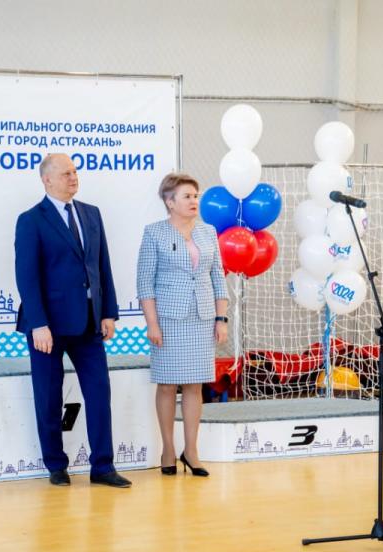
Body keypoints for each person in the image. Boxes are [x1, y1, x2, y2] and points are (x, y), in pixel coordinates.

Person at [14, 153, 131, 488]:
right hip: (47, 327)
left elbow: (102, 266)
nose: (73, 177)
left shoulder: (91, 214)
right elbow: (27, 276)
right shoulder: (31, 220)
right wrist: (38, 323)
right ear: (47, 180)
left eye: (74, 171)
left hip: (89, 322)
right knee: (49, 397)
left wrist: (108, 312)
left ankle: (103, 467)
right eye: (65, 173)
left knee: (99, 393)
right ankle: (56, 466)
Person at [136, 173, 229, 477]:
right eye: (187, 196)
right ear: (169, 201)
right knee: (167, 384)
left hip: (202, 318)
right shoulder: (154, 233)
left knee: (194, 385)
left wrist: (221, 318)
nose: (194, 201)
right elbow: (145, 283)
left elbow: (218, 278)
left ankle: (191, 451)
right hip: (168, 320)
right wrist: (152, 324)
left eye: (195, 195)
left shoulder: (208, 232)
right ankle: (167, 449)